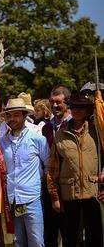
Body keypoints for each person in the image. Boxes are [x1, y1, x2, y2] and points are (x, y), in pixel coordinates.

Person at [47, 92, 103, 247]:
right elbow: (53, 169)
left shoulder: (97, 132)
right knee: (70, 238)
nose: (78, 110)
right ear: (70, 109)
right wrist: (54, 197)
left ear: (87, 110)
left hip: (93, 193)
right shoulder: (60, 135)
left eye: (82, 107)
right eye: (74, 107)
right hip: (69, 195)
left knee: (95, 237)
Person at [0, 98, 49, 247]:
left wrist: (38, 185)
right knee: (19, 242)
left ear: (24, 116)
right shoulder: (2, 142)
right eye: (9, 115)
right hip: (12, 200)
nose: (12, 119)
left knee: (37, 241)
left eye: (16, 115)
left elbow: (48, 166)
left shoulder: (38, 139)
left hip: (32, 198)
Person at [41, 86, 71, 247]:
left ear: (67, 102)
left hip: (68, 184)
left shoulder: (75, 125)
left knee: (69, 233)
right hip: (50, 184)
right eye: (51, 102)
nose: (54, 105)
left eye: (58, 102)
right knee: (50, 233)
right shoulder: (45, 128)